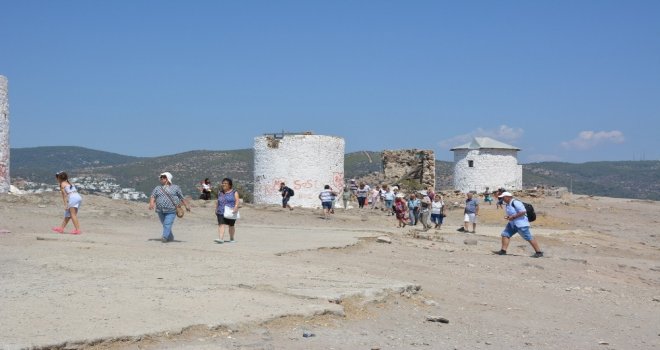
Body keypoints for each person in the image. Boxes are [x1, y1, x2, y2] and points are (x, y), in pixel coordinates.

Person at [494, 192, 544, 258]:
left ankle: (538, 252)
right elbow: (513, 213)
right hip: (512, 224)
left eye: (503, 197)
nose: (502, 199)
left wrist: (513, 217)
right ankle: (503, 251)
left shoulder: (516, 202)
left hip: (521, 224)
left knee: (528, 237)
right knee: (505, 234)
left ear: (508, 197)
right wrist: (509, 217)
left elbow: (523, 211)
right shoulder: (508, 204)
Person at [149, 172, 190, 243]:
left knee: (167, 223)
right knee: (164, 224)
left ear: (168, 178)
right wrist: (151, 203)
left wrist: (186, 205)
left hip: (171, 210)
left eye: (163, 177)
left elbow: (181, 197)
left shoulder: (175, 187)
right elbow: (153, 196)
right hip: (160, 210)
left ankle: (164, 237)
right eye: (161, 177)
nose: (161, 178)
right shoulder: (157, 188)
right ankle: (170, 237)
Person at [215, 178, 240, 244]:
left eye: (225, 183)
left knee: (231, 225)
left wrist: (236, 207)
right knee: (221, 224)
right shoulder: (220, 192)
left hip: (231, 211)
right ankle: (220, 238)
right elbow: (218, 201)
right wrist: (216, 209)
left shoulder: (234, 192)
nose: (224, 184)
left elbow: (237, 201)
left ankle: (231, 238)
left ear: (230, 185)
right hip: (220, 211)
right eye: (223, 183)